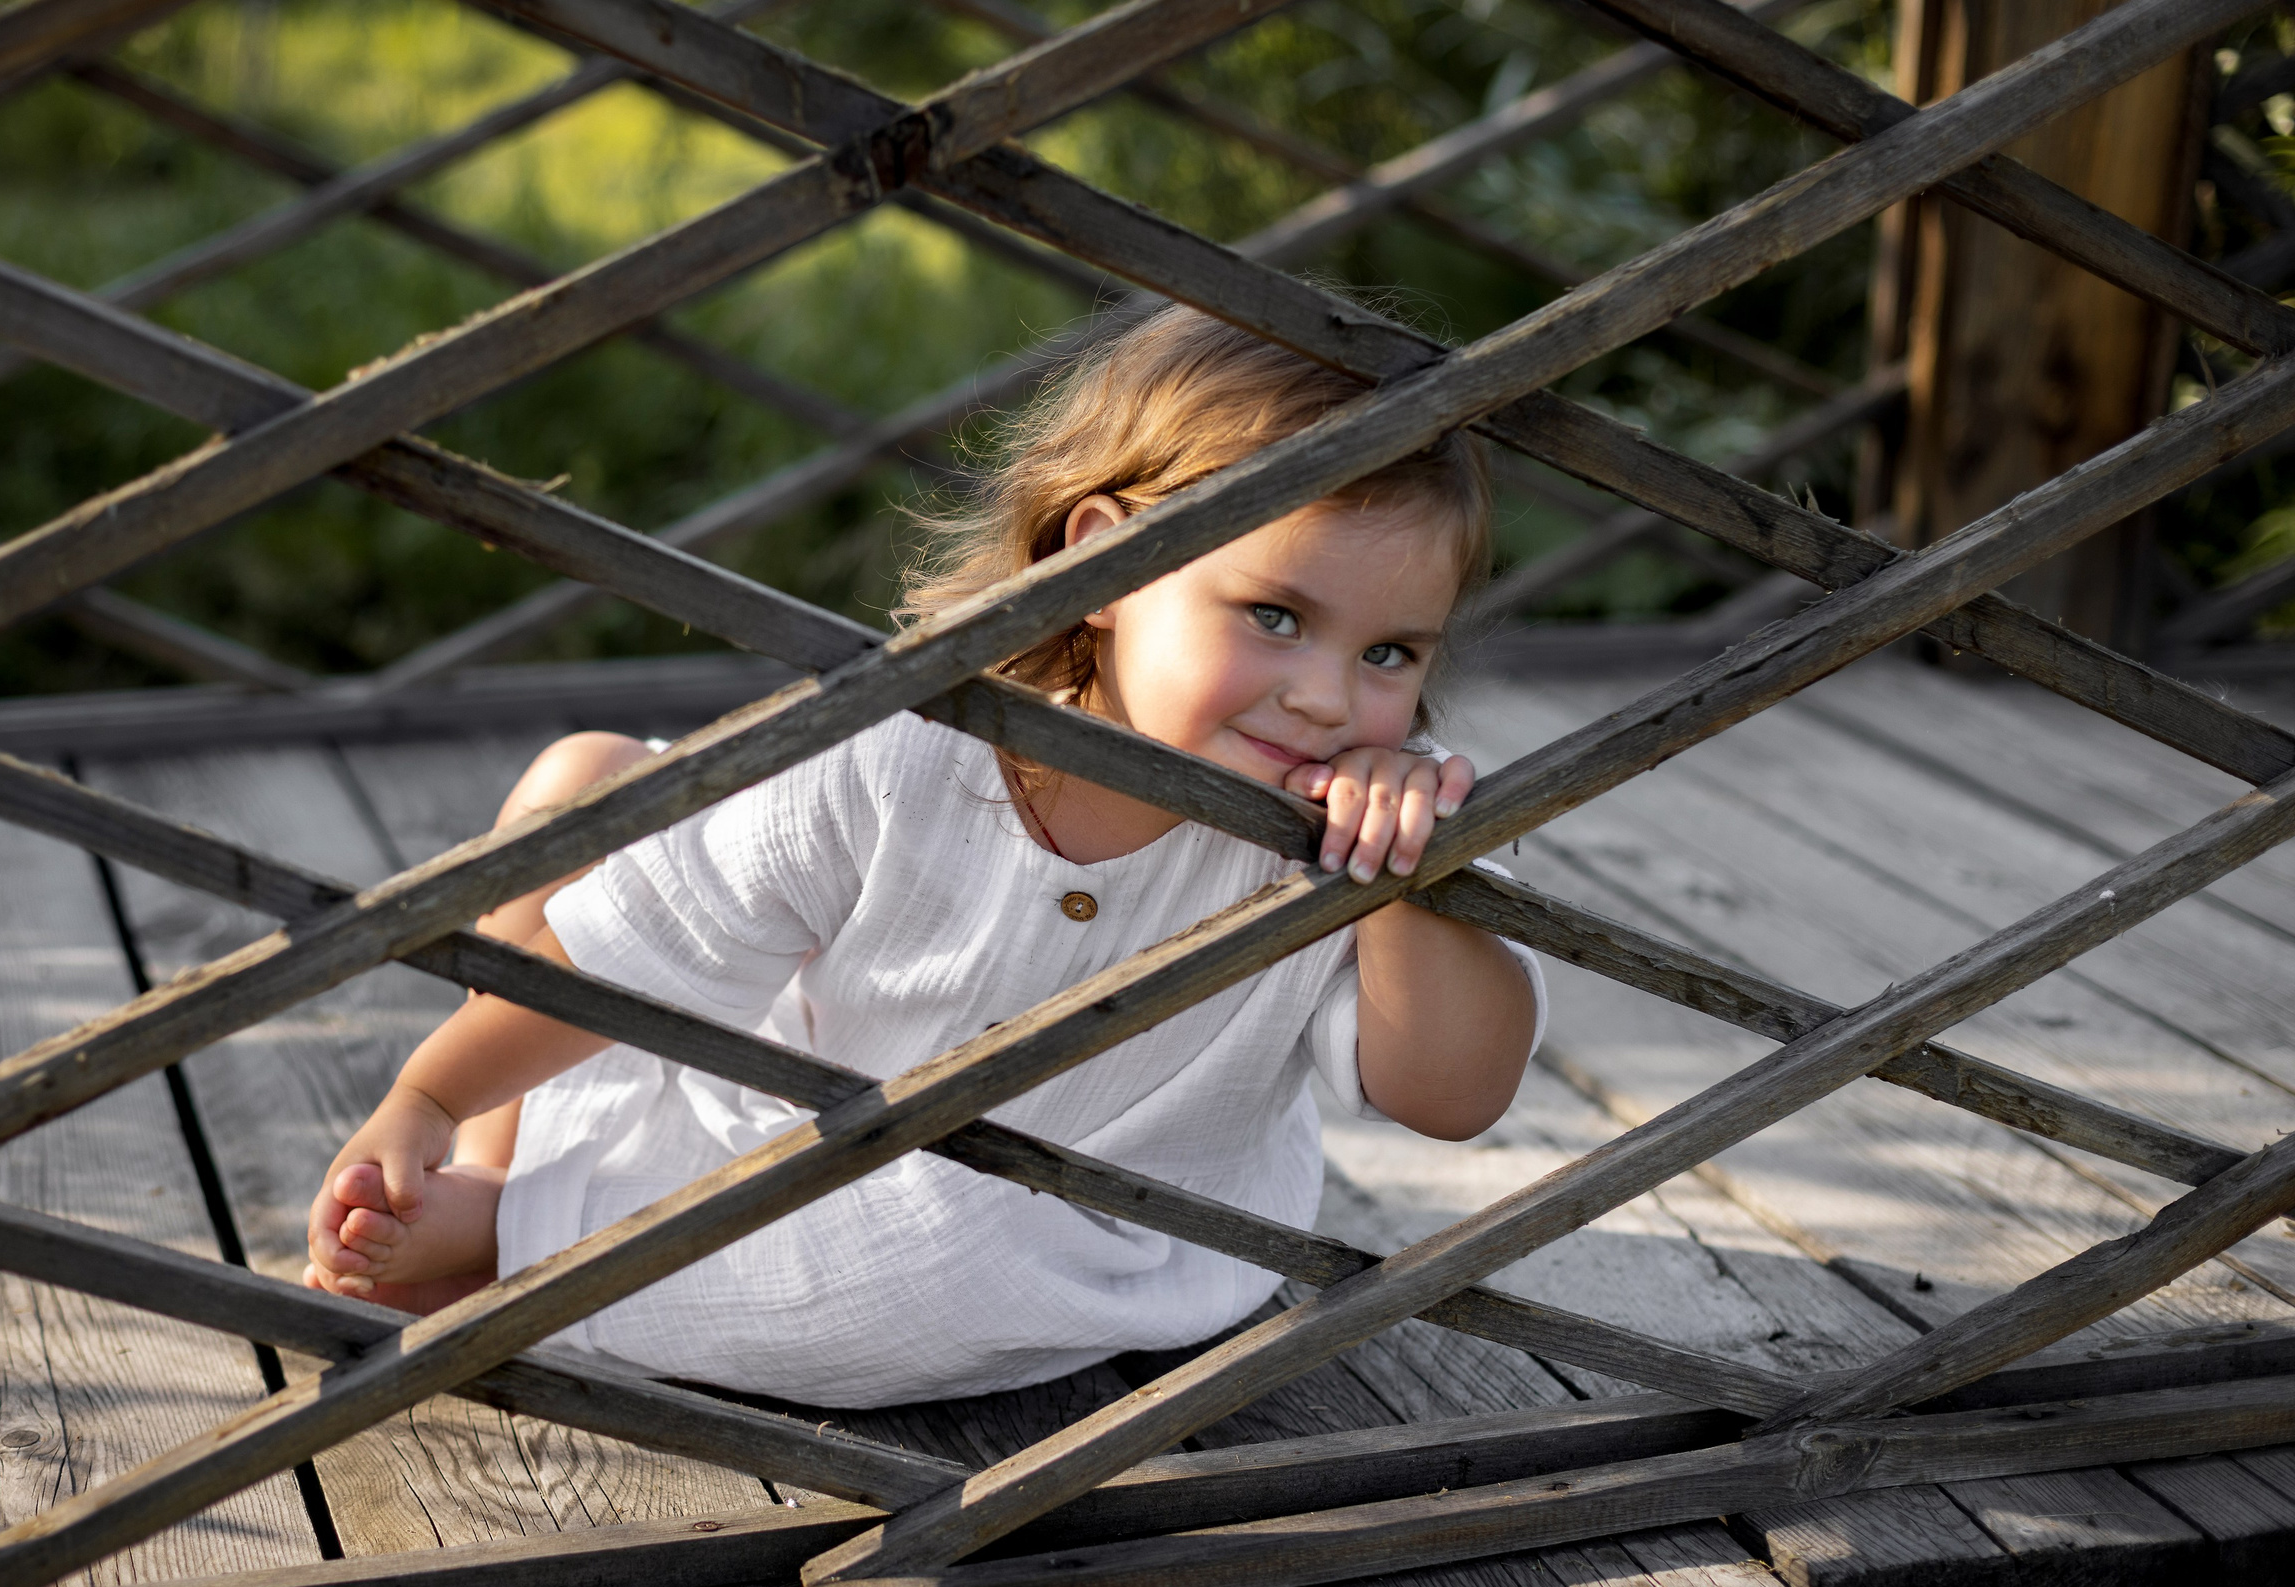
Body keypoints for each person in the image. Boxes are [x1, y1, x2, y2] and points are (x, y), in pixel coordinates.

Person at [302, 305, 1545, 1407]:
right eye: (1274, 616)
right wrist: (432, 1099)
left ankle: (524, 1244)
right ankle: (501, 1185)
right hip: (782, 1109)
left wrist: (1407, 879)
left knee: (922, 1273)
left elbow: (1450, 1098)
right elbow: (636, 954)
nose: (1328, 698)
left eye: (1389, 654)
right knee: (587, 790)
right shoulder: (907, 754)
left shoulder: (1342, 826)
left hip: (1092, 1219)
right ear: (1103, 562)